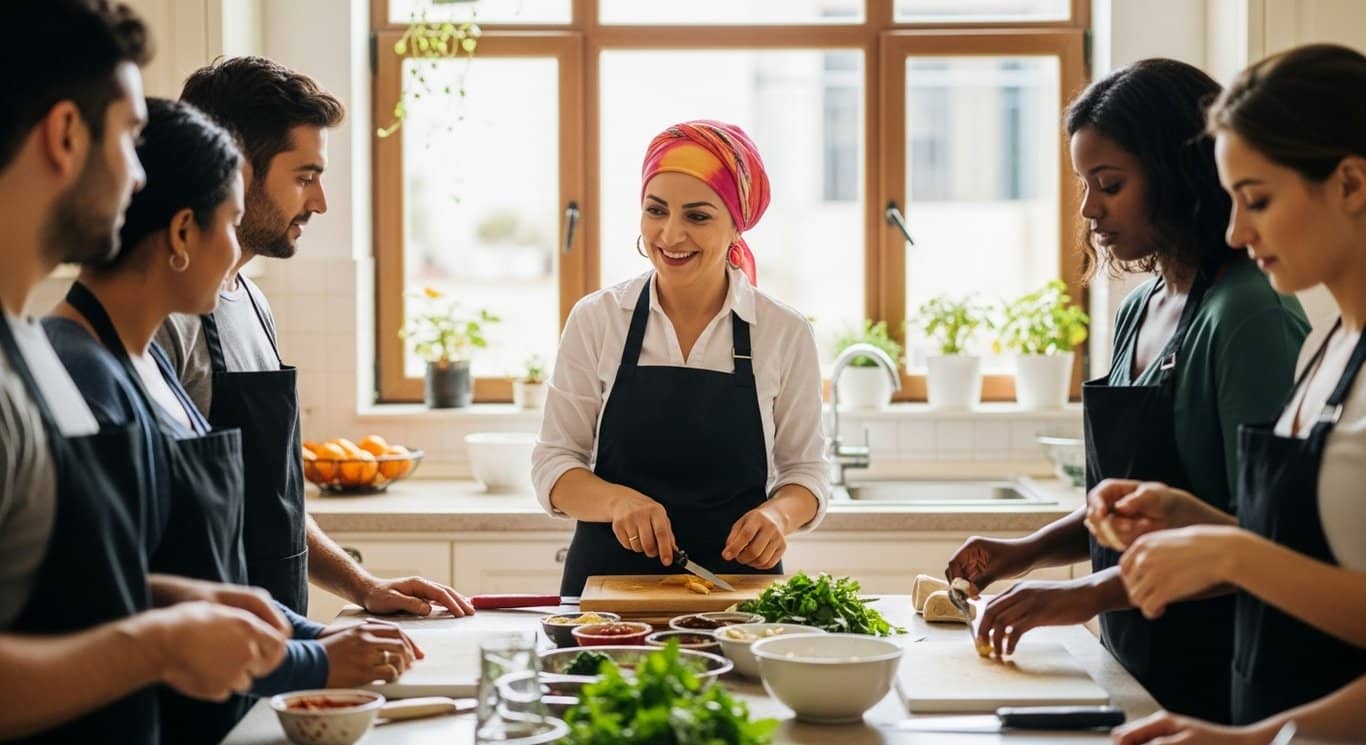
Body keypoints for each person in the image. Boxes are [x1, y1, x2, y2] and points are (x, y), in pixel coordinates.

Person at [43, 97, 421, 745]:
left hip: (223, 698)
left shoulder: (152, 368)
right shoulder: (76, 375)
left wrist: (308, 628)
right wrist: (313, 654)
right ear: (184, 233)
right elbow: (99, 604)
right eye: (231, 223)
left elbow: (179, 580)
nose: (236, 256)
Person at [945, 59, 1309, 723]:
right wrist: (1026, 551)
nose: (1089, 208)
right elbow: (1131, 506)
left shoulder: (1248, 315)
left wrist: (1085, 593)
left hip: (1217, 684)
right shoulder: (1142, 307)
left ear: (1178, 175)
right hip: (1135, 662)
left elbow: (1263, 542)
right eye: (1085, 184)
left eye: (1109, 183)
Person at [0, 2, 287, 742]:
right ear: (66, 135)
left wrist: (170, 598)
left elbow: (42, 593)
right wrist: (156, 642)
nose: (139, 178)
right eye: (130, 138)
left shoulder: (28, 348)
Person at [1091, 44, 1366, 738]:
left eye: (1257, 200)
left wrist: (1230, 553)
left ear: (1353, 184)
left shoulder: (1259, 314)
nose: (1237, 230)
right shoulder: (1328, 353)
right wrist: (1189, 514)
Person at [154, 56, 474, 618]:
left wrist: (361, 586)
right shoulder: (165, 320)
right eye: (304, 178)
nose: (319, 202)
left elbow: (271, 497)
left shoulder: (252, 302)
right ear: (232, 167)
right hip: (204, 655)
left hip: (278, 637)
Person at [532, 120, 828, 596]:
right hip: (607, 597)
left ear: (737, 224)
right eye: (656, 211)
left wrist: (778, 515)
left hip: (736, 595)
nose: (671, 234)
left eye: (698, 216)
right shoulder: (598, 319)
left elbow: (806, 471)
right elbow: (554, 464)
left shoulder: (782, 331)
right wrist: (615, 502)